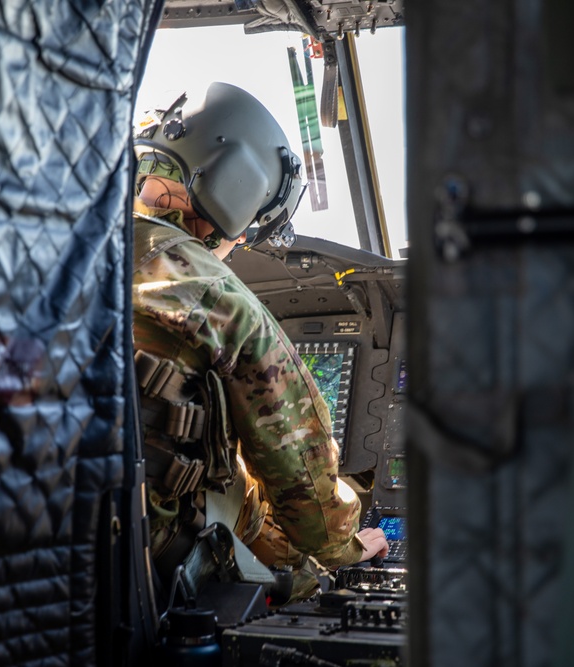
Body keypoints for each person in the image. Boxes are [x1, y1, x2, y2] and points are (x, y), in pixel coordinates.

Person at [130, 82, 388, 601]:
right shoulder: (215, 295)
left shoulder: (65, 245)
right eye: (250, 222)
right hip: (149, 569)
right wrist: (349, 550)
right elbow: (311, 504)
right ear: (235, 184)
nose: (241, 238)